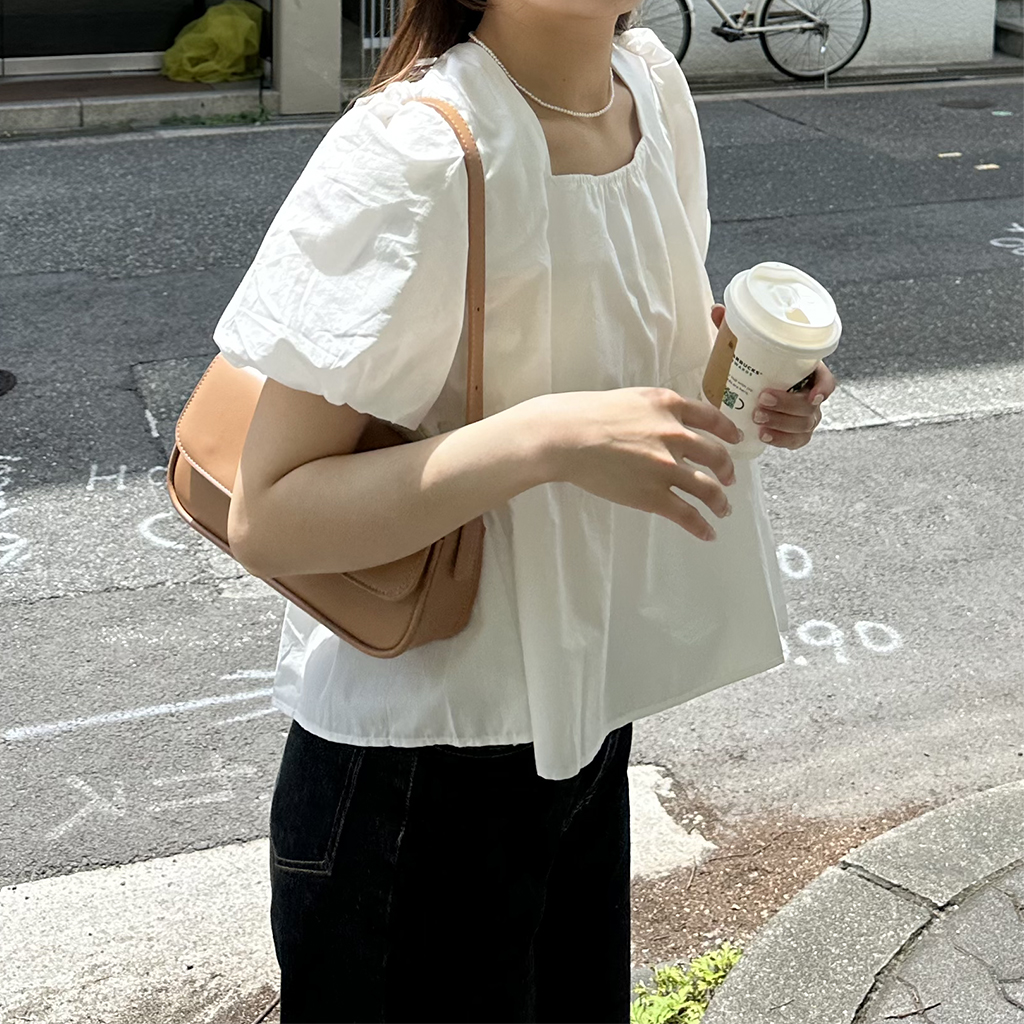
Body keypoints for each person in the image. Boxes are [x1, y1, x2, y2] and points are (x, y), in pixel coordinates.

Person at [212, 1, 836, 1020]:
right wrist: (547, 440)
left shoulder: (652, 91)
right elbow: (269, 514)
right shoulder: (418, 149)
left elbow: (650, 359)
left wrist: (759, 389)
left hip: (583, 708)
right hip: (417, 767)